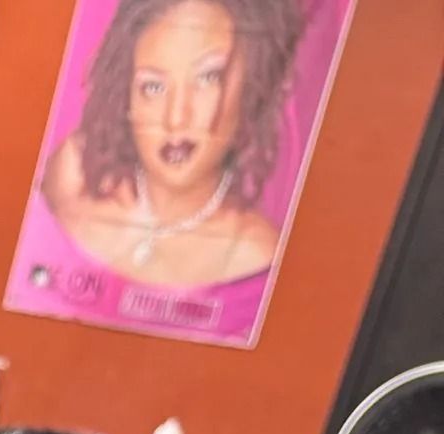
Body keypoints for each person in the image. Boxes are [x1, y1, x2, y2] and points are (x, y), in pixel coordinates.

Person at [42, 0, 308, 287]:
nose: (176, 119)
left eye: (207, 78)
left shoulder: (256, 253)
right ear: (126, 94)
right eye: (153, 86)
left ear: (251, 89)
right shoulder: (72, 184)